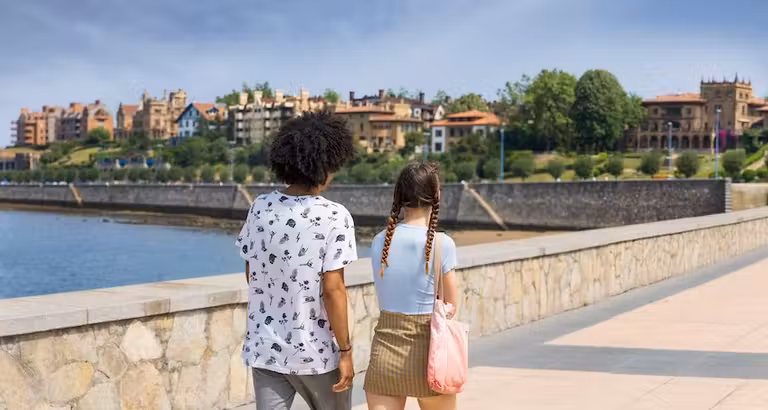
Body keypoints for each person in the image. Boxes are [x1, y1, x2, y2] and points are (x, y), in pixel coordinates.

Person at [235, 111, 358, 410]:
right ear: (326, 164)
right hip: (316, 353)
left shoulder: (260, 207)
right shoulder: (335, 216)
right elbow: (333, 289)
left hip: (266, 348)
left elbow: (252, 273)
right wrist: (345, 351)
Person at [364, 162, 459, 410]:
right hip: (430, 355)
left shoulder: (379, 241)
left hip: (385, 351)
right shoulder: (443, 243)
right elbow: (451, 306)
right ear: (436, 195)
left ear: (398, 195)